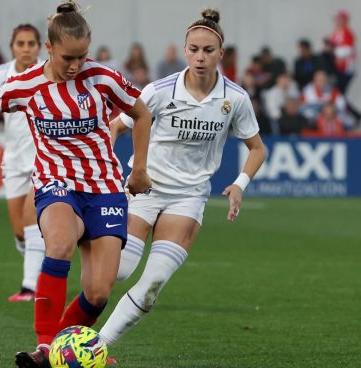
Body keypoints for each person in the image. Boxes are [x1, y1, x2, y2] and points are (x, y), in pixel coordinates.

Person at [0, 2, 152, 367]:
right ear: (49, 49)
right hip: (56, 183)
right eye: (68, 57)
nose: (75, 66)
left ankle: (65, 352)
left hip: (104, 187)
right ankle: (47, 347)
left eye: (82, 57)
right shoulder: (25, 84)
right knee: (60, 242)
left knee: (97, 293)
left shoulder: (102, 77)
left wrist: (139, 169)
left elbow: (141, 112)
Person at [98, 7, 266, 351]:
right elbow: (117, 126)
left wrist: (239, 184)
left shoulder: (235, 98)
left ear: (221, 53)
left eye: (208, 51)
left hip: (189, 197)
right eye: (193, 49)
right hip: (145, 188)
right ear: (184, 49)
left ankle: (97, 346)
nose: (200, 57)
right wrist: (111, 171)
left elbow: (257, 149)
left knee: (153, 281)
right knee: (116, 272)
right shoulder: (159, 90)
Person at [0, 23, 45, 303]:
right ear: (12, 47)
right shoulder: (0, 74)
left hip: (44, 160)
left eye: (31, 43)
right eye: (21, 44)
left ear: (40, 47)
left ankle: (30, 286)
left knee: (31, 218)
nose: (26, 48)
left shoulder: (48, 72)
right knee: (20, 231)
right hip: (14, 161)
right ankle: (41, 265)